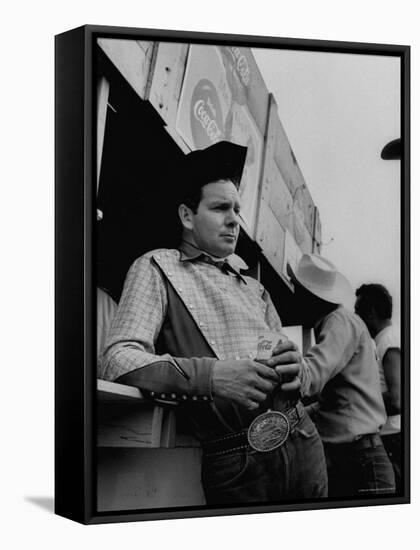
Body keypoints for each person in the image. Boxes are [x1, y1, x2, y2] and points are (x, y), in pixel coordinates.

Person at [101, 141, 327, 505]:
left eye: (236, 209)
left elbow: (293, 367)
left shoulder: (254, 287)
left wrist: (295, 368)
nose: (234, 219)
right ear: (187, 217)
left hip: (301, 436)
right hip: (237, 457)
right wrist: (212, 376)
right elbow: (117, 360)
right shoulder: (157, 266)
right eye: (220, 208)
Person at [288, 254, 395, 498]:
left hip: (359, 461)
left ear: (309, 294)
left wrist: (280, 371)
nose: (292, 294)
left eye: (296, 288)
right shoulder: (341, 322)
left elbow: (313, 375)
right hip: (358, 457)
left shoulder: (337, 322)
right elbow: (337, 400)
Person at [355, 283, 401, 492]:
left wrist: (357, 403)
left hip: (394, 438)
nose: (356, 320)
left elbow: (397, 399)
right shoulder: (390, 338)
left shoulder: (388, 341)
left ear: (371, 313)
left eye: (358, 312)